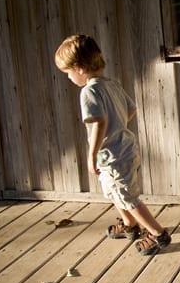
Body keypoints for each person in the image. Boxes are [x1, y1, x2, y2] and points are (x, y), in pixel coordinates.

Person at [54, 34, 170, 255]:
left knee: (127, 196)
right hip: (125, 149)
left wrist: (91, 154)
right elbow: (131, 109)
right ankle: (129, 225)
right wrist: (118, 126)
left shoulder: (88, 91)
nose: (68, 78)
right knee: (113, 191)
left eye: (68, 73)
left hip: (113, 155)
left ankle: (158, 234)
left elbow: (99, 122)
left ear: (79, 68)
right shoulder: (111, 84)